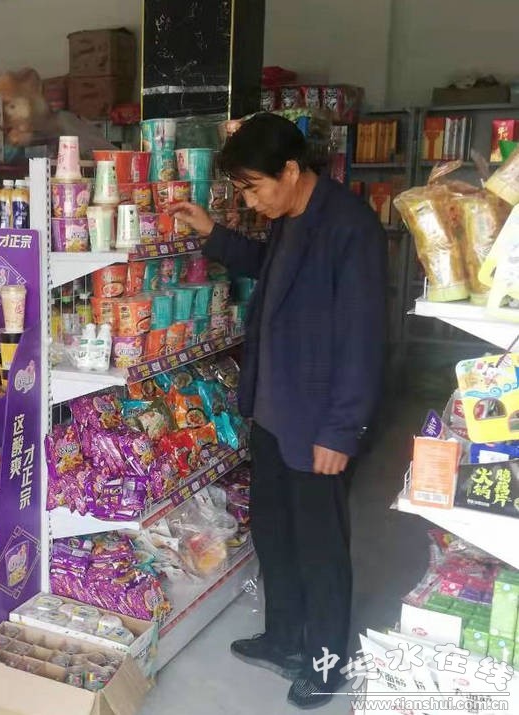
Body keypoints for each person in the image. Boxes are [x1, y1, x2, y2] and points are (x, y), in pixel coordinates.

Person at [171, 113, 386, 709]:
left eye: (253, 186)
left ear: (291, 170)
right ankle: (285, 637)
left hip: (317, 423)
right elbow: (272, 269)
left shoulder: (349, 227)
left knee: (320, 547)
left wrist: (340, 430)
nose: (250, 200)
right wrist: (213, 232)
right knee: (274, 533)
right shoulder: (290, 218)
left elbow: (363, 339)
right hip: (272, 413)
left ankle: (325, 663)